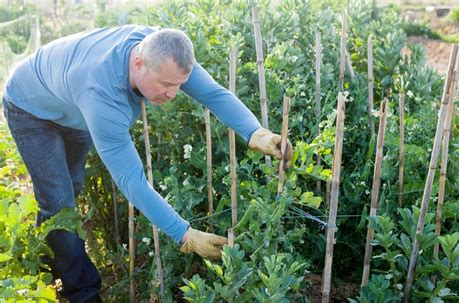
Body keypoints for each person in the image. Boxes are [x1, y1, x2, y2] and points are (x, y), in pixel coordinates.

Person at [2, 25, 292, 302]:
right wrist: (185, 233)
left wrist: (256, 132)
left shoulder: (163, 49)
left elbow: (214, 94)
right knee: (59, 201)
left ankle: (49, 252)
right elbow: (131, 181)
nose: (173, 94)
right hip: (32, 108)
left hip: (71, 105)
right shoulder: (101, 95)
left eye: (179, 85)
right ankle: (82, 292)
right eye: (166, 85)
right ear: (138, 63)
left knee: (71, 186)